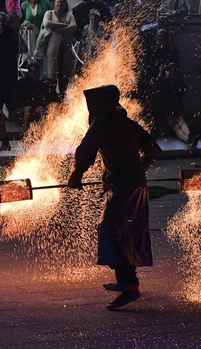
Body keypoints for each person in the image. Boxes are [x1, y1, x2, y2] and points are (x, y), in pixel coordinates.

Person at [67, 85, 156, 310]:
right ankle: (124, 280)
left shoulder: (101, 125)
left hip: (125, 187)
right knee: (123, 230)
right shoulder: (125, 123)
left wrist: (76, 176)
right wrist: (140, 169)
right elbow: (152, 149)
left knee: (113, 231)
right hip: (134, 184)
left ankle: (130, 287)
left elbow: (85, 152)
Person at [154, 63, 199, 147]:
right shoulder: (164, 81)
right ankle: (189, 138)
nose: (170, 72)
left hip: (174, 107)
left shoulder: (174, 81)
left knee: (178, 124)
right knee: (177, 126)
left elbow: (183, 90)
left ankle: (189, 137)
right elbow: (158, 87)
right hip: (170, 108)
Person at [42, 0, 76, 96]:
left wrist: (58, 29)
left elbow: (73, 26)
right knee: (51, 75)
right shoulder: (49, 13)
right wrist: (66, 26)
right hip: (52, 50)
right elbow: (47, 23)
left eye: (61, 2)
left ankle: (62, 97)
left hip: (65, 50)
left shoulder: (70, 16)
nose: (59, 4)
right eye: (57, 2)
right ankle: (51, 98)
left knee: (64, 77)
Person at [0, 11, 19, 115]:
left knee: (9, 90)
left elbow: (13, 50)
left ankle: (11, 113)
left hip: (8, 67)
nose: (1, 24)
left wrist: (0, 50)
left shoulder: (12, 33)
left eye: (3, 21)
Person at [13, 62, 45, 131]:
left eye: (38, 72)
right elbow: (17, 97)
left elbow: (41, 99)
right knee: (28, 109)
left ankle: (42, 130)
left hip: (34, 107)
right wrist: (23, 105)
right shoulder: (22, 82)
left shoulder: (39, 84)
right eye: (35, 72)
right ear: (29, 72)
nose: (37, 74)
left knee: (41, 109)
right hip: (22, 108)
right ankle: (25, 129)